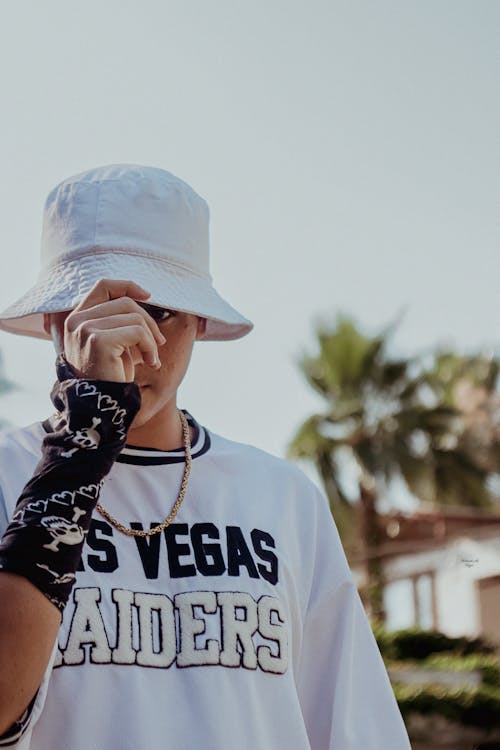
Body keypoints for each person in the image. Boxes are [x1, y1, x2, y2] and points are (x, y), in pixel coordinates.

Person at [0, 164, 411, 749]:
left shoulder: (280, 497)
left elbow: (355, 729)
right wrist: (81, 444)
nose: (132, 345)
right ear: (53, 324)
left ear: (198, 322)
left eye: (159, 312)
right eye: (95, 312)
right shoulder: (6, 476)